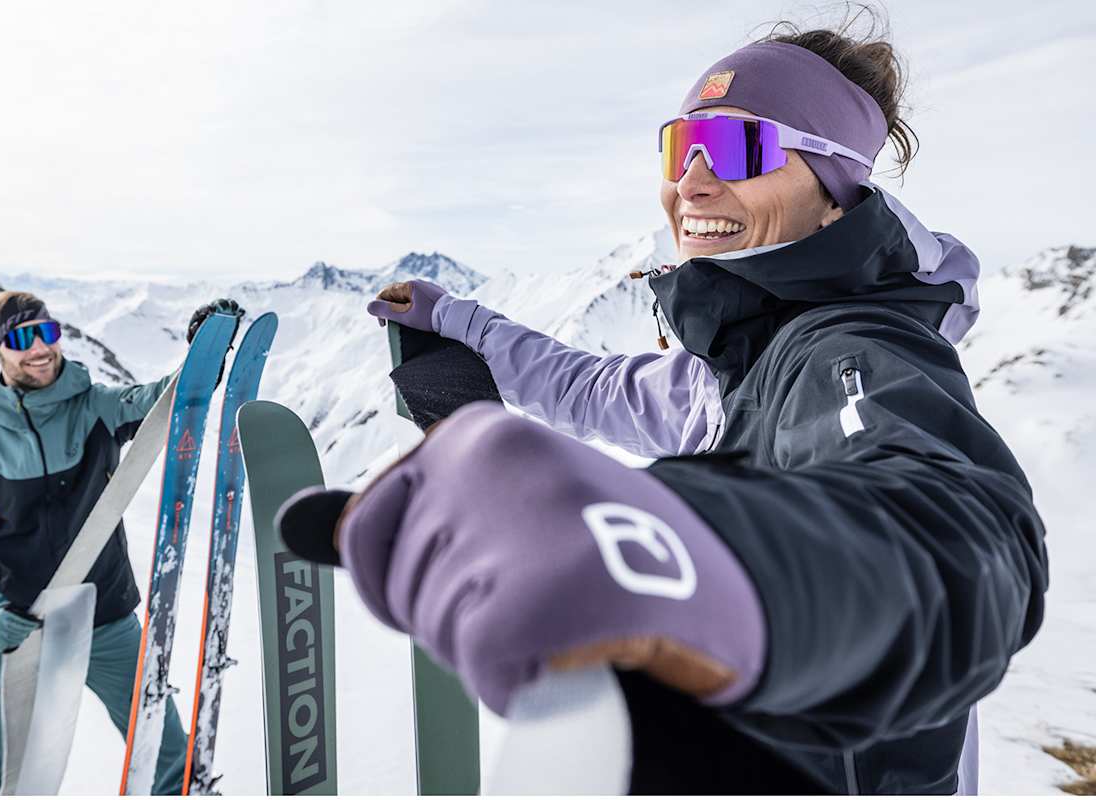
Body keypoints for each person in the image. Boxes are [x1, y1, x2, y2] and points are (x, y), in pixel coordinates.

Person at [340, 16, 1048, 796]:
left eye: (744, 150)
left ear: (837, 199)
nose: (694, 183)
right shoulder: (726, 368)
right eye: (683, 147)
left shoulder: (854, 350)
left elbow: (957, 542)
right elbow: (585, 386)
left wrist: (716, 558)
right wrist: (457, 321)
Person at [0, 290, 243, 795]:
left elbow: (167, 403)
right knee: (17, 774)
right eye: (23, 338)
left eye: (48, 332)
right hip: (20, 631)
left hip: (108, 622)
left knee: (166, 754)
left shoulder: (95, 408)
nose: (41, 348)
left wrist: (207, 349)